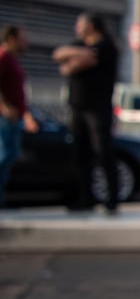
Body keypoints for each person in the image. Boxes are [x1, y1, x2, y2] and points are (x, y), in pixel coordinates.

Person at [53, 12, 120, 214]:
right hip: (77, 107)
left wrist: (74, 59)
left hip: (98, 108)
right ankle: (85, 198)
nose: (77, 28)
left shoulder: (107, 47)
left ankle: (111, 199)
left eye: (80, 24)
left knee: (103, 153)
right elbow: (59, 56)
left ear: (91, 26)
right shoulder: (80, 45)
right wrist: (78, 57)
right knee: (80, 154)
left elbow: (83, 61)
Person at [0, 24, 39, 208]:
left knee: (9, 157)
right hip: (4, 119)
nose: (26, 43)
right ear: (12, 39)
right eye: (23, 39)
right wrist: (4, 107)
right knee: (4, 157)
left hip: (14, 119)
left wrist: (26, 115)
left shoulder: (12, 59)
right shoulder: (3, 56)